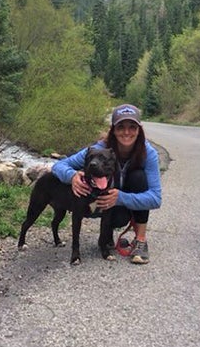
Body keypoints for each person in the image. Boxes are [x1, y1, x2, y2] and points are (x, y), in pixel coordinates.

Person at [51, 104, 162, 264]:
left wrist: (120, 198)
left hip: (121, 203)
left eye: (132, 127)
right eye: (120, 127)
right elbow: (58, 166)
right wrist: (72, 176)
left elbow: (155, 198)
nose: (126, 132)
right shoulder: (98, 149)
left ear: (139, 130)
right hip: (100, 201)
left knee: (138, 177)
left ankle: (140, 240)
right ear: (113, 129)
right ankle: (106, 236)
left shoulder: (148, 153)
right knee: (111, 211)